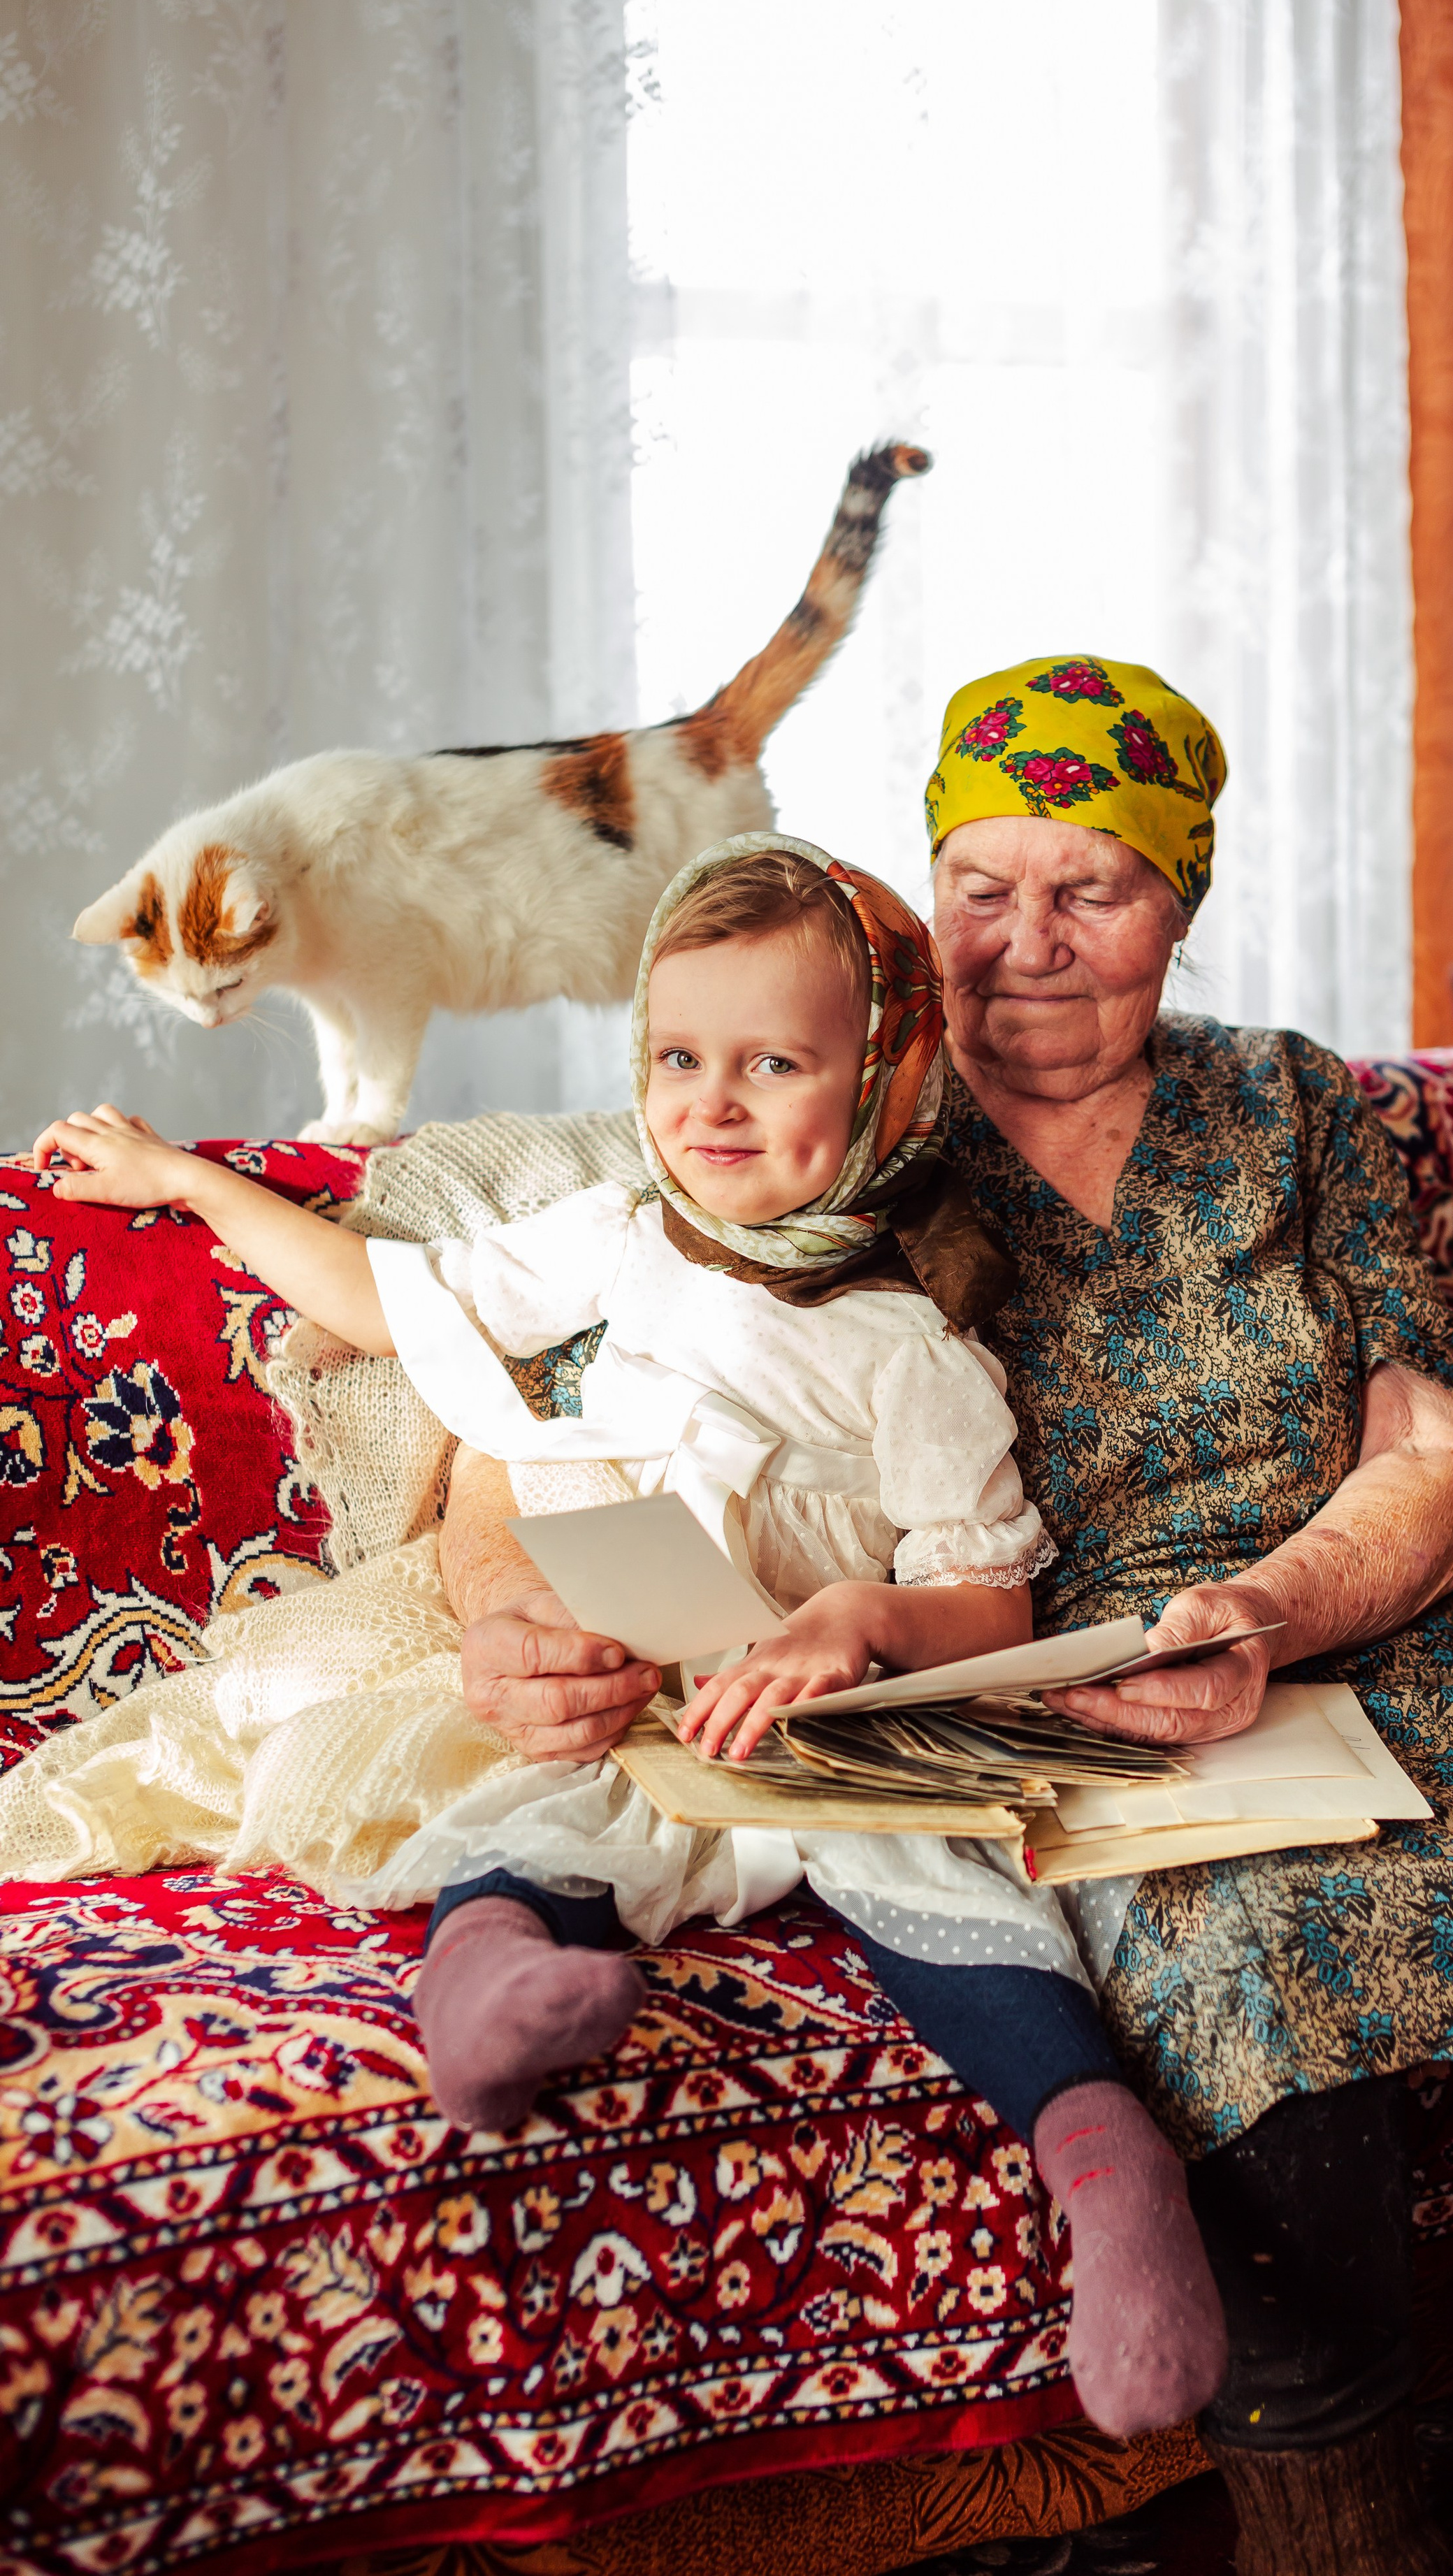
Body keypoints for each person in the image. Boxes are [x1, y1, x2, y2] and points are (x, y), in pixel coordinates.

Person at [447, 660, 1453, 2576]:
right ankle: (1350, 2545)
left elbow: (1438, 1442)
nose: (1028, 943)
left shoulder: (1288, 1107)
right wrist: (509, 1613)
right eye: (981, 884)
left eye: (1095, 888)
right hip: (1052, 1680)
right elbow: (514, 1415)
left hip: (1387, 1620)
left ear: (1184, 898)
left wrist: (1270, 1598)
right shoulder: (835, 1110)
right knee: (1248, 1999)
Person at [22, 834, 1226, 2443]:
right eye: (676, 1058)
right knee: (534, 1808)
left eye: (771, 1064)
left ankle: (1106, 2168)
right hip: (649, 1682)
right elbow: (400, 1298)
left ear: (879, 1086)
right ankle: (501, 1984)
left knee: (945, 1883)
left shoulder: (912, 1349)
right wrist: (188, 1181)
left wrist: (858, 1621)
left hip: (834, 1705)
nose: (708, 1106)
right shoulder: (617, 1236)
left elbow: (987, 1597)